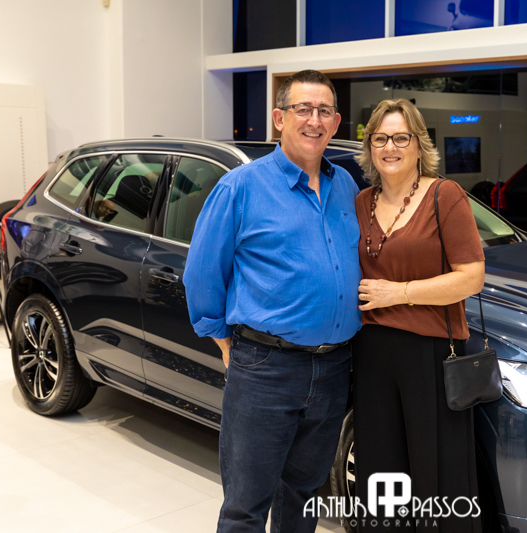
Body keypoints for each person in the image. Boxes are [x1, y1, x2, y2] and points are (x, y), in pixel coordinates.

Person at [184, 69, 361, 533]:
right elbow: (202, 274)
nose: (315, 120)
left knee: (304, 496)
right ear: (280, 119)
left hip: (333, 369)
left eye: (324, 111)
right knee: (246, 506)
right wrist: (224, 341)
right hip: (266, 368)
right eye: (304, 109)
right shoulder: (240, 187)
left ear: (336, 122)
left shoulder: (346, 185)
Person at [352, 99, 485, 532]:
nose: (389, 147)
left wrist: (400, 292)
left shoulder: (445, 195)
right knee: (381, 469)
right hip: (372, 354)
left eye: (400, 137)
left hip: (430, 354)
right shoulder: (361, 202)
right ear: (370, 146)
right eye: (380, 138)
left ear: (418, 144)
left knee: (434, 472)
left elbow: (472, 278)